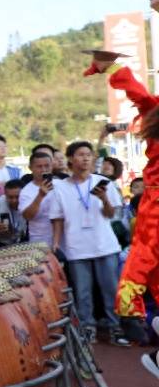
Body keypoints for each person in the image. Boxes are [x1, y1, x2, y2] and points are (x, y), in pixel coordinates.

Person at [86, 51, 159, 367]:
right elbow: (138, 93)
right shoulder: (154, 110)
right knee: (148, 252)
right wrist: (112, 66)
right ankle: (131, 307)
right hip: (157, 205)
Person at [54, 140, 128, 346]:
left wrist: (104, 198)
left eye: (88, 154)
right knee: (83, 292)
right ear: (70, 158)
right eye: (80, 154)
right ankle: (88, 328)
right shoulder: (61, 188)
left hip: (105, 245)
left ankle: (115, 328)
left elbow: (111, 214)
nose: (85, 158)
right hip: (77, 248)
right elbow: (57, 218)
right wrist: (56, 245)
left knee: (110, 289)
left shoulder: (104, 183)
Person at [17, 150, 64, 249]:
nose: (44, 169)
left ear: (52, 166)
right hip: (40, 242)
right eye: (39, 166)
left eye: (47, 165)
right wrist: (40, 196)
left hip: (64, 239)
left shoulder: (61, 185)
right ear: (31, 168)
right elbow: (27, 216)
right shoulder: (26, 191)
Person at [0, 178, 28, 246]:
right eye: (10, 197)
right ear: (5, 195)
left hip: (25, 239)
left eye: (17, 197)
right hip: (3, 242)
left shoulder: (30, 202)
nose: (14, 200)